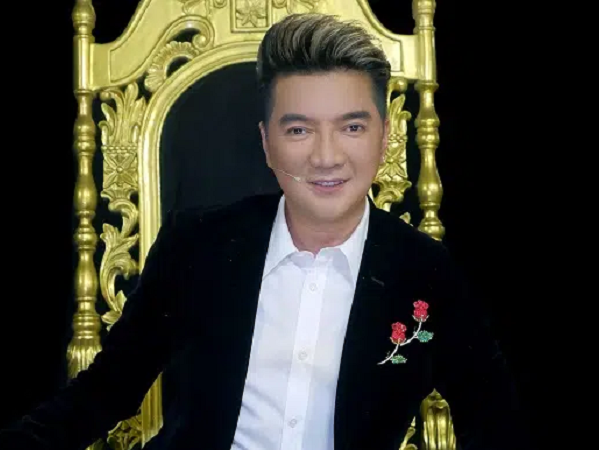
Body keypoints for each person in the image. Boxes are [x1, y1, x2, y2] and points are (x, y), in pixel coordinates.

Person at [0, 13, 531, 450]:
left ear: (384, 137)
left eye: (351, 126)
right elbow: (102, 393)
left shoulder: (428, 274)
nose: (326, 157)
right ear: (267, 143)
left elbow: (496, 423)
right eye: (299, 129)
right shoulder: (198, 246)